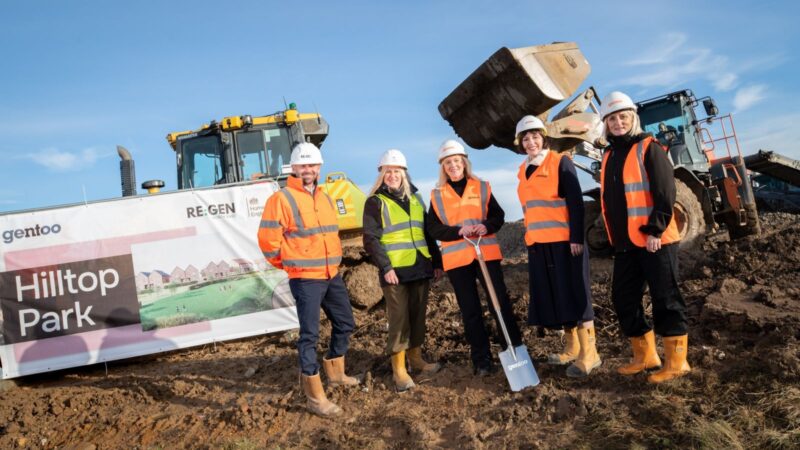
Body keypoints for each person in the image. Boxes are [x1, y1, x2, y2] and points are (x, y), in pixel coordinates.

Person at [257, 142, 358, 416]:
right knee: (309, 336)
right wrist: (291, 264)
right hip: (305, 278)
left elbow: (330, 234)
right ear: (294, 168)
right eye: (303, 165)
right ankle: (315, 398)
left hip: (330, 274)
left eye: (312, 165)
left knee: (346, 323)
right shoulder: (282, 199)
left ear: (319, 167)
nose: (308, 170)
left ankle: (336, 373)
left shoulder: (324, 197)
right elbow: (268, 242)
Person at [599, 91, 691, 383]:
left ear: (632, 118)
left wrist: (655, 229)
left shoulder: (649, 148)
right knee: (623, 298)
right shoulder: (610, 156)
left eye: (622, 116)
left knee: (666, 298)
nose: (618, 122)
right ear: (605, 123)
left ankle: (676, 363)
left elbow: (666, 193)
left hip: (655, 240)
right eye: (612, 118)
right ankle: (646, 356)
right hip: (626, 244)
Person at [426, 139, 523, 376]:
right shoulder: (437, 195)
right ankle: (481, 360)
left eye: (457, 161)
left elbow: (498, 216)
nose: (453, 165)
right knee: (470, 311)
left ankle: (515, 351)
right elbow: (433, 229)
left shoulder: (481, 187)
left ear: (464, 163)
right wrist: (457, 232)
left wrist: (485, 227)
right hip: (458, 261)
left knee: (499, 304)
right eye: (448, 162)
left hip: (485, 255)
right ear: (443, 166)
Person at [514, 115, 601, 378]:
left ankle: (590, 353)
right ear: (520, 143)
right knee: (559, 295)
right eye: (525, 138)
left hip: (565, 243)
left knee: (577, 293)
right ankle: (572, 347)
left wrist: (576, 237)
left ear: (544, 138)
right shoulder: (523, 170)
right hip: (539, 244)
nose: (531, 142)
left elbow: (575, 203)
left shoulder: (560, 162)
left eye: (535, 137)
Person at [362, 149, 444, 392]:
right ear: (381, 175)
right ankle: (399, 370)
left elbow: (427, 233)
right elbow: (371, 239)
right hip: (395, 271)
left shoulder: (416, 199)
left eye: (396, 171)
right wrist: (385, 267)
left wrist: (437, 262)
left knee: (418, 316)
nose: (392, 175)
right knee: (399, 320)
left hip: (420, 266)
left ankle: (416, 359)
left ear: (404, 174)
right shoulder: (375, 202)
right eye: (388, 171)